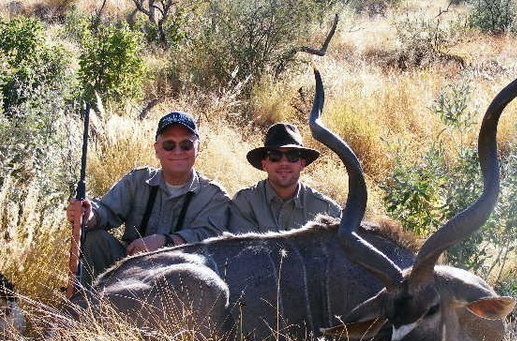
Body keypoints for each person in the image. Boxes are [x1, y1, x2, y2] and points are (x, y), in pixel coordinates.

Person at [66, 111, 230, 287]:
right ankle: (87, 305)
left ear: (198, 148)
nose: (177, 151)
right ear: (157, 150)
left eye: (186, 144)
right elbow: (105, 211)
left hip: (180, 280)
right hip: (126, 268)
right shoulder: (137, 179)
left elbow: (211, 239)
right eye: (169, 145)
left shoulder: (214, 195)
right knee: (94, 238)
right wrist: (88, 214)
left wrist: (164, 242)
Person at [228, 122, 341, 234]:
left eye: (292, 156)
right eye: (274, 156)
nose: (284, 163)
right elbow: (243, 249)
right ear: (264, 164)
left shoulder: (327, 209)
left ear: (302, 164)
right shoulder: (245, 203)